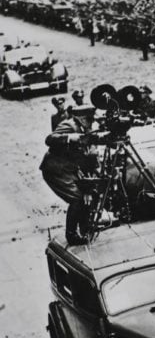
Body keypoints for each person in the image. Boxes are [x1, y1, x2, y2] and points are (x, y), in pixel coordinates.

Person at [39, 105, 97, 245]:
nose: (91, 123)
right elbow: (50, 139)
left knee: (89, 194)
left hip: (70, 167)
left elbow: (87, 156)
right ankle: (71, 235)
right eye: (89, 120)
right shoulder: (69, 125)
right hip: (56, 169)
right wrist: (70, 138)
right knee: (76, 198)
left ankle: (84, 228)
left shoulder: (85, 128)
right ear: (81, 118)